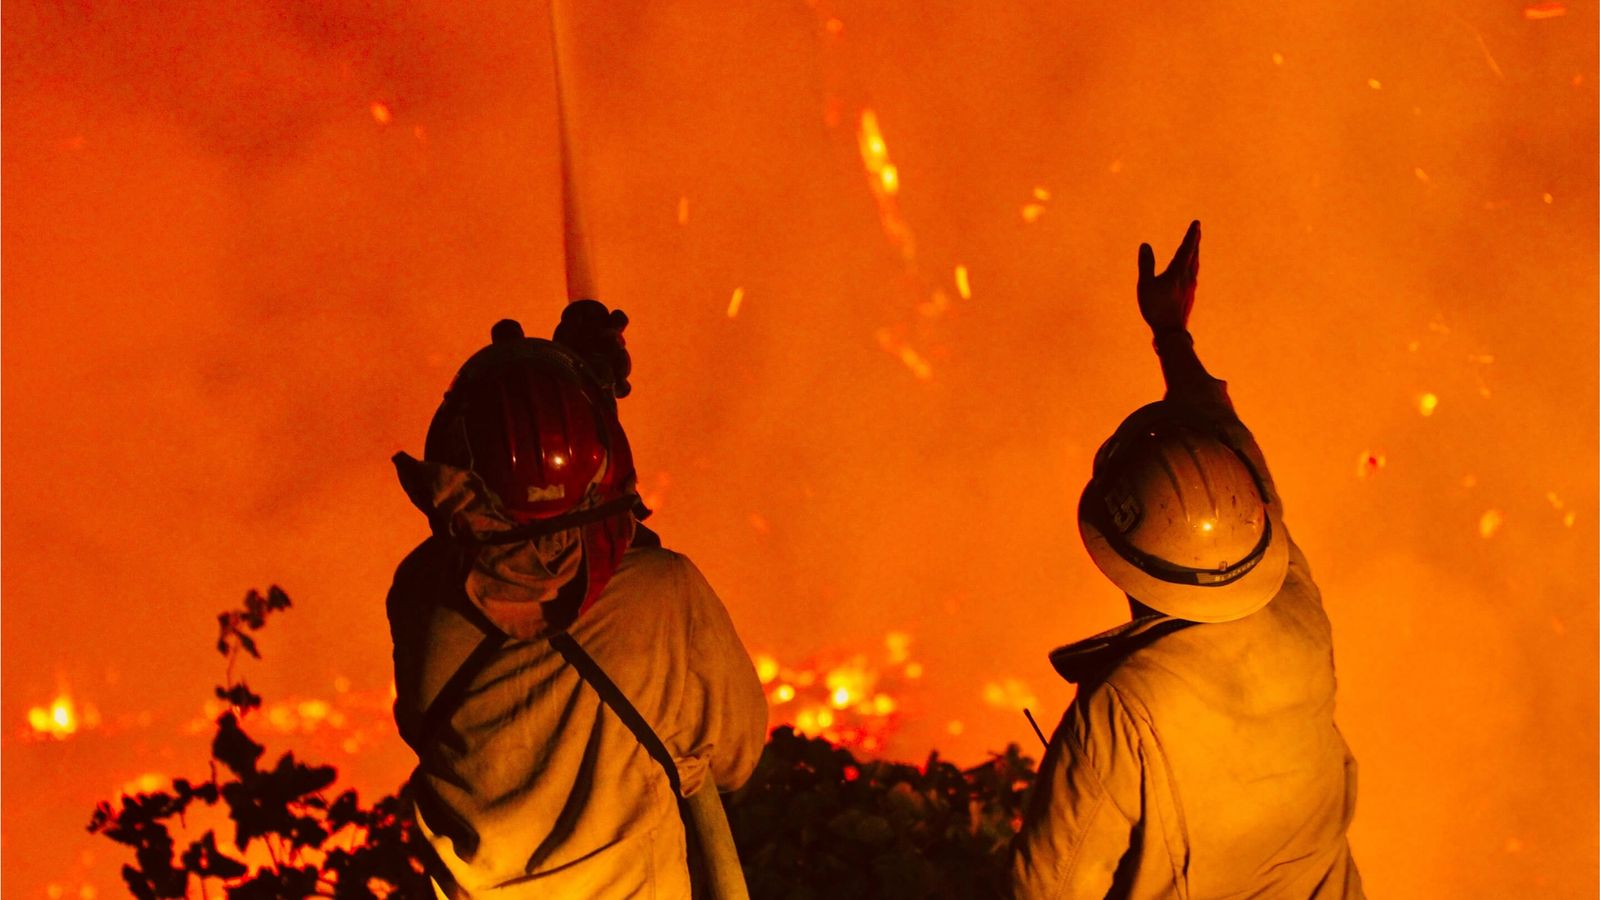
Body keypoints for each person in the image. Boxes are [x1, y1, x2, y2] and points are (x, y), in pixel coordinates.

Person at [1010, 222, 1363, 899]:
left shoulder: (1121, 712)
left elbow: (1045, 889)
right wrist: (1173, 334)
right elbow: (1228, 444)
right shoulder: (1294, 603)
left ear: (1117, 556)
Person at [387, 300, 768, 899]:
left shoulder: (418, 596)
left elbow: (535, 544)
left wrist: (579, 394)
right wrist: (589, 396)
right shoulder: (666, 593)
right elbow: (736, 756)